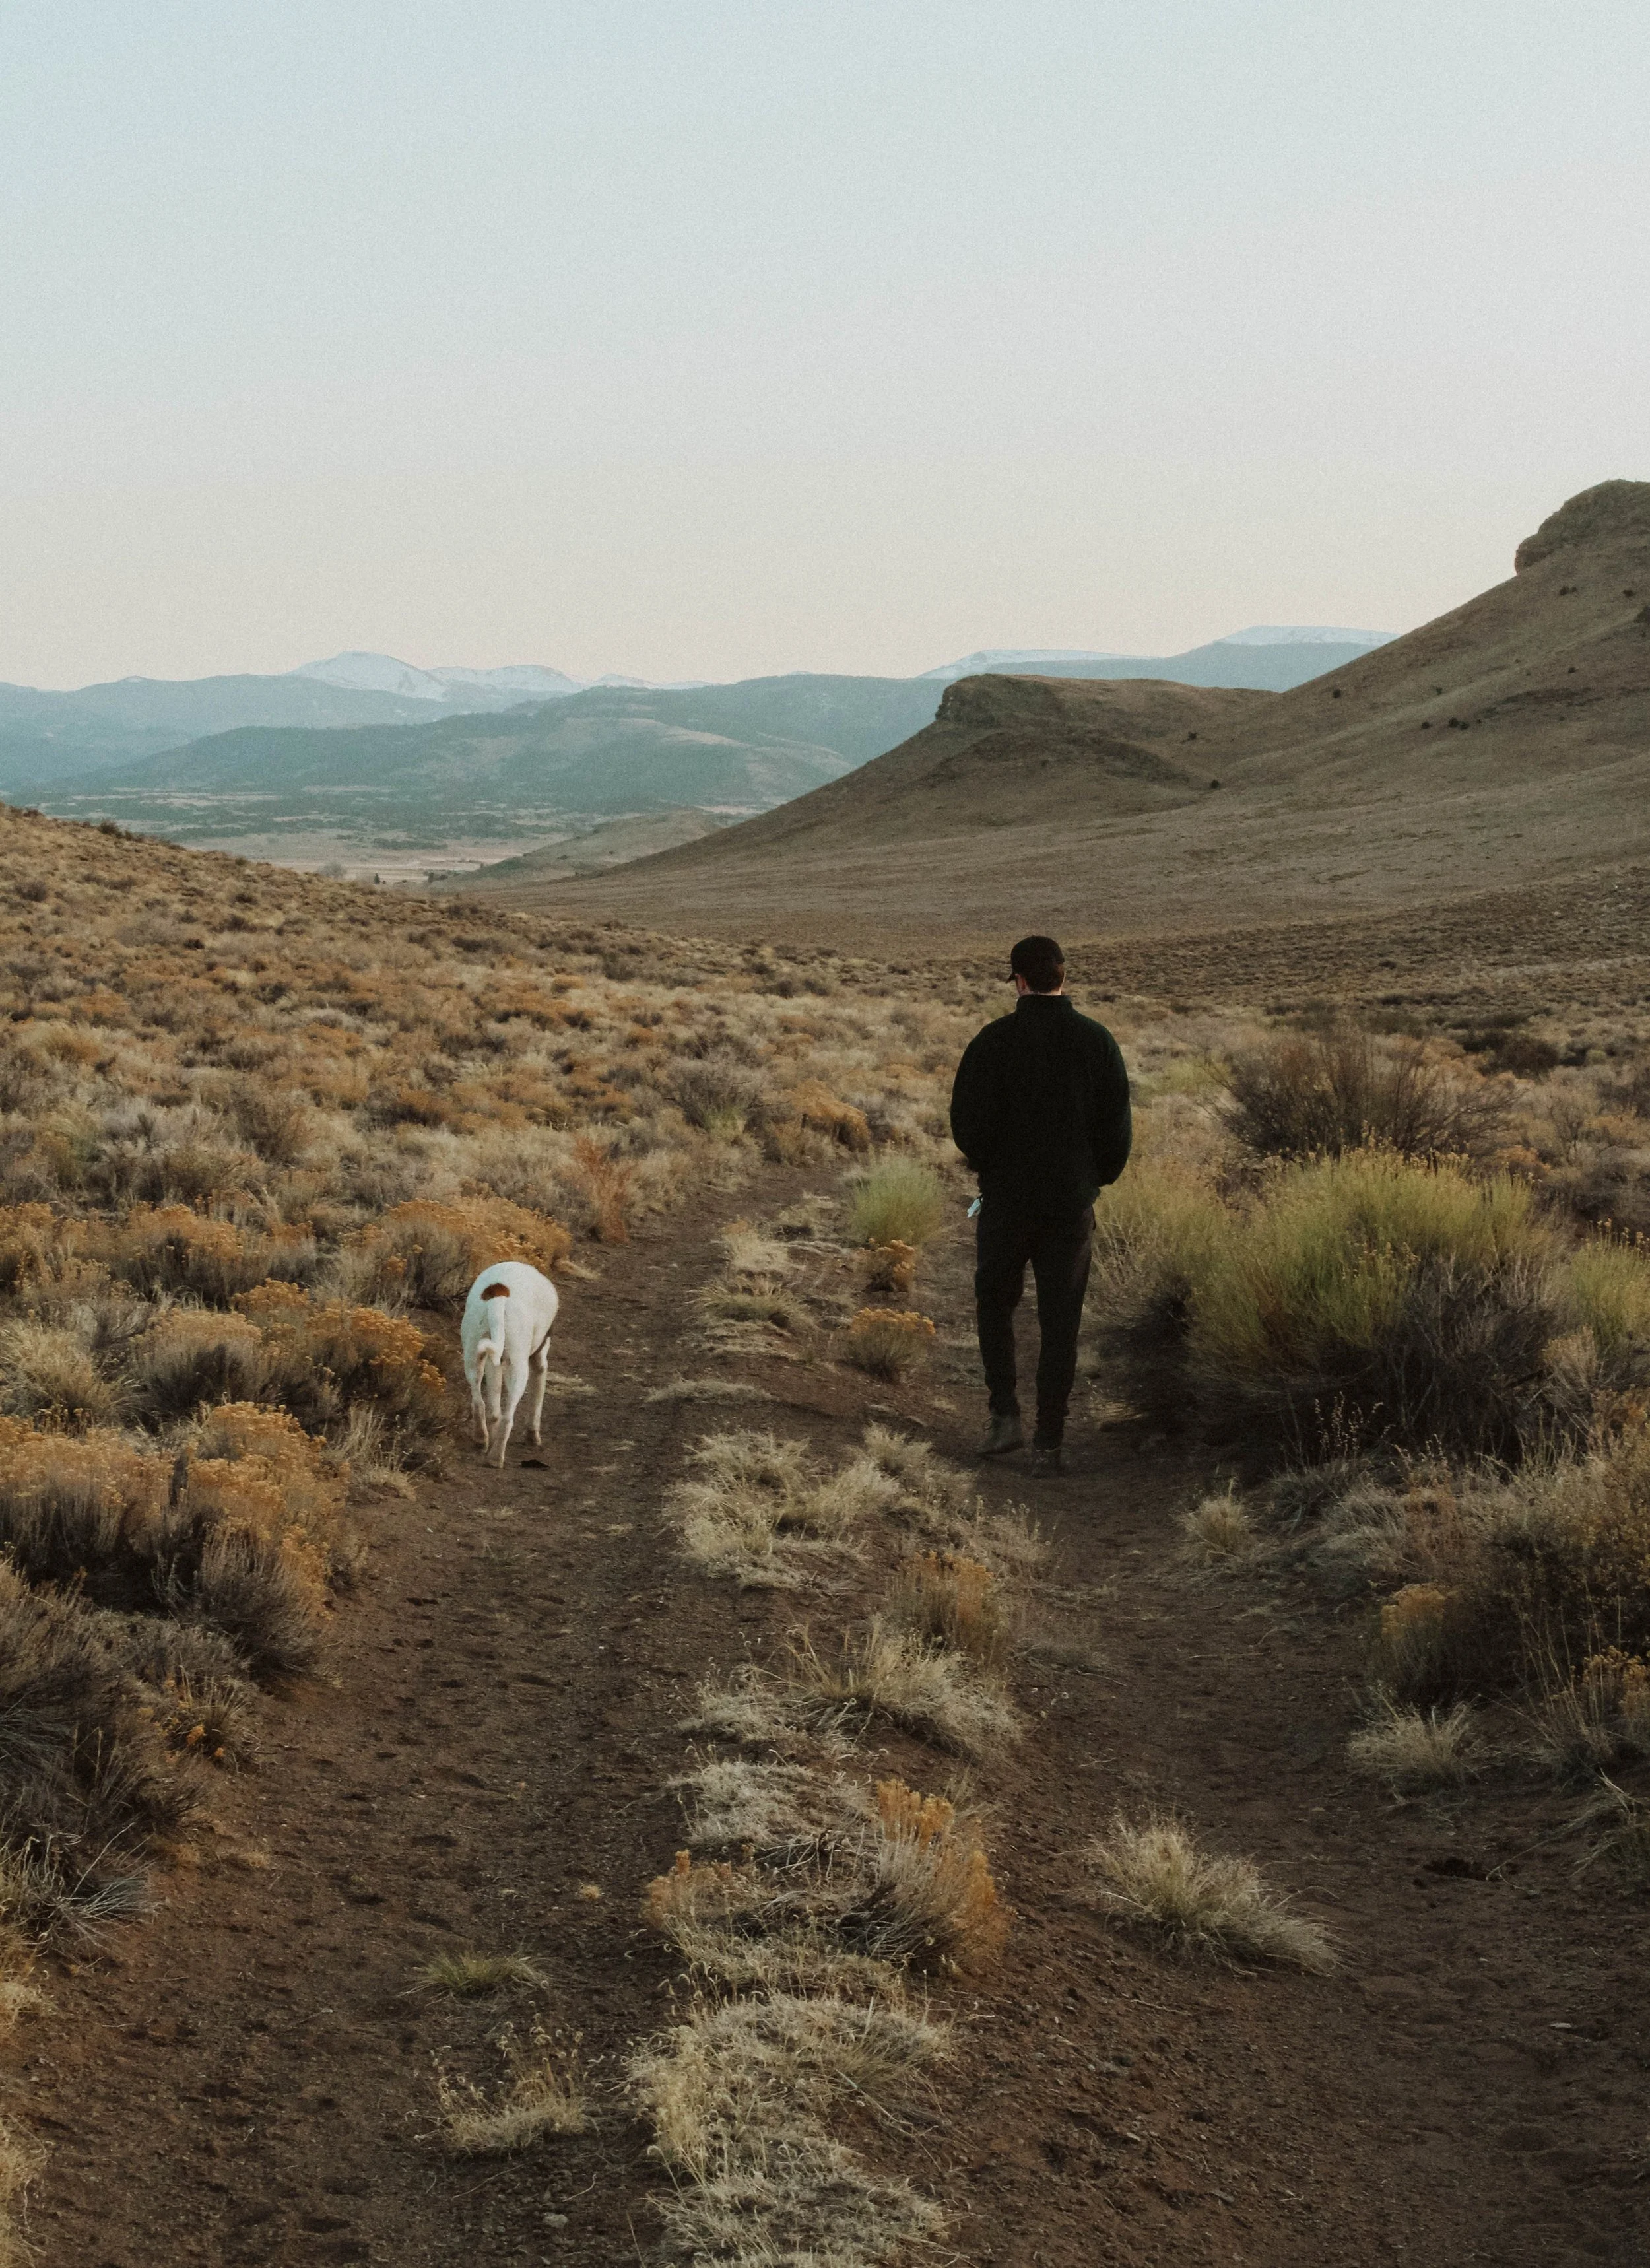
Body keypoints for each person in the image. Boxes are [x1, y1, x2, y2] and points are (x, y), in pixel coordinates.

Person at [948, 934, 1131, 1477]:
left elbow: (966, 1124)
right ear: (1063, 976)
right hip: (1069, 1205)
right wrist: (1092, 1179)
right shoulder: (1097, 1042)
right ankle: (1049, 1442)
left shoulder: (992, 1041)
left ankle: (1004, 1417)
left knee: (995, 1302)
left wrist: (992, 1166)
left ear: (1019, 981)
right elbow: (1116, 1128)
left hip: (1005, 1202)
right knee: (1060, 1318)